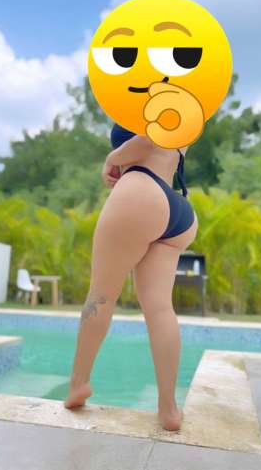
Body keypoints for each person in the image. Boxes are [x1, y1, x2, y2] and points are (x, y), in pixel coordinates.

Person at [64, 123, 199, 431]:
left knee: (101, 295)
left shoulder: (145, 103)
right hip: (177, 209)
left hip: (140, 191)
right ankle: (168, 408)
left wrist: (113, 158)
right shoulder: (185, 106)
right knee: (160, 308)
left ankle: (78, 384)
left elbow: (151, 138)